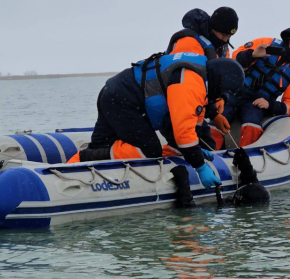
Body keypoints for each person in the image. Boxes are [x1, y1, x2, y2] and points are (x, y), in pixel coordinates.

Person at [68, 52, 245, 190]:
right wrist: (199, 167)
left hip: (117, 92)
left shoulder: (199, 73)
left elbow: (191, 124)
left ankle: (78, 162)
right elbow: (183, 133)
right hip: (123, 100)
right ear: (220, 82)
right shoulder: (191, 84)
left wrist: (196, 148)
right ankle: (85, 156)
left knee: (102, 144)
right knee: (149, 150)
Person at [210, 24, 290, 149]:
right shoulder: (266, 43)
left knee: (252, 124)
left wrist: (270, 105)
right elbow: (235, 58)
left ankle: (246, 158)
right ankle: (211, 154)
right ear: (289, 39)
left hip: (256, 103)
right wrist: (253, 55)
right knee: (217, 119)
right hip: (233, 94)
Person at [166, 7, 240, 148]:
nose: (226, 40)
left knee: (208, 144)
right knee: (182, 145)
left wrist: (221, 99)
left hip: (197, 104)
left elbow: (220, 77)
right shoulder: (189, 43)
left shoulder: (220, 47)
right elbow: (187, 88)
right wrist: (212, 112)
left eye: (229, 37)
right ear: (213, 28)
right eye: (223, 35)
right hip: (176, 104)